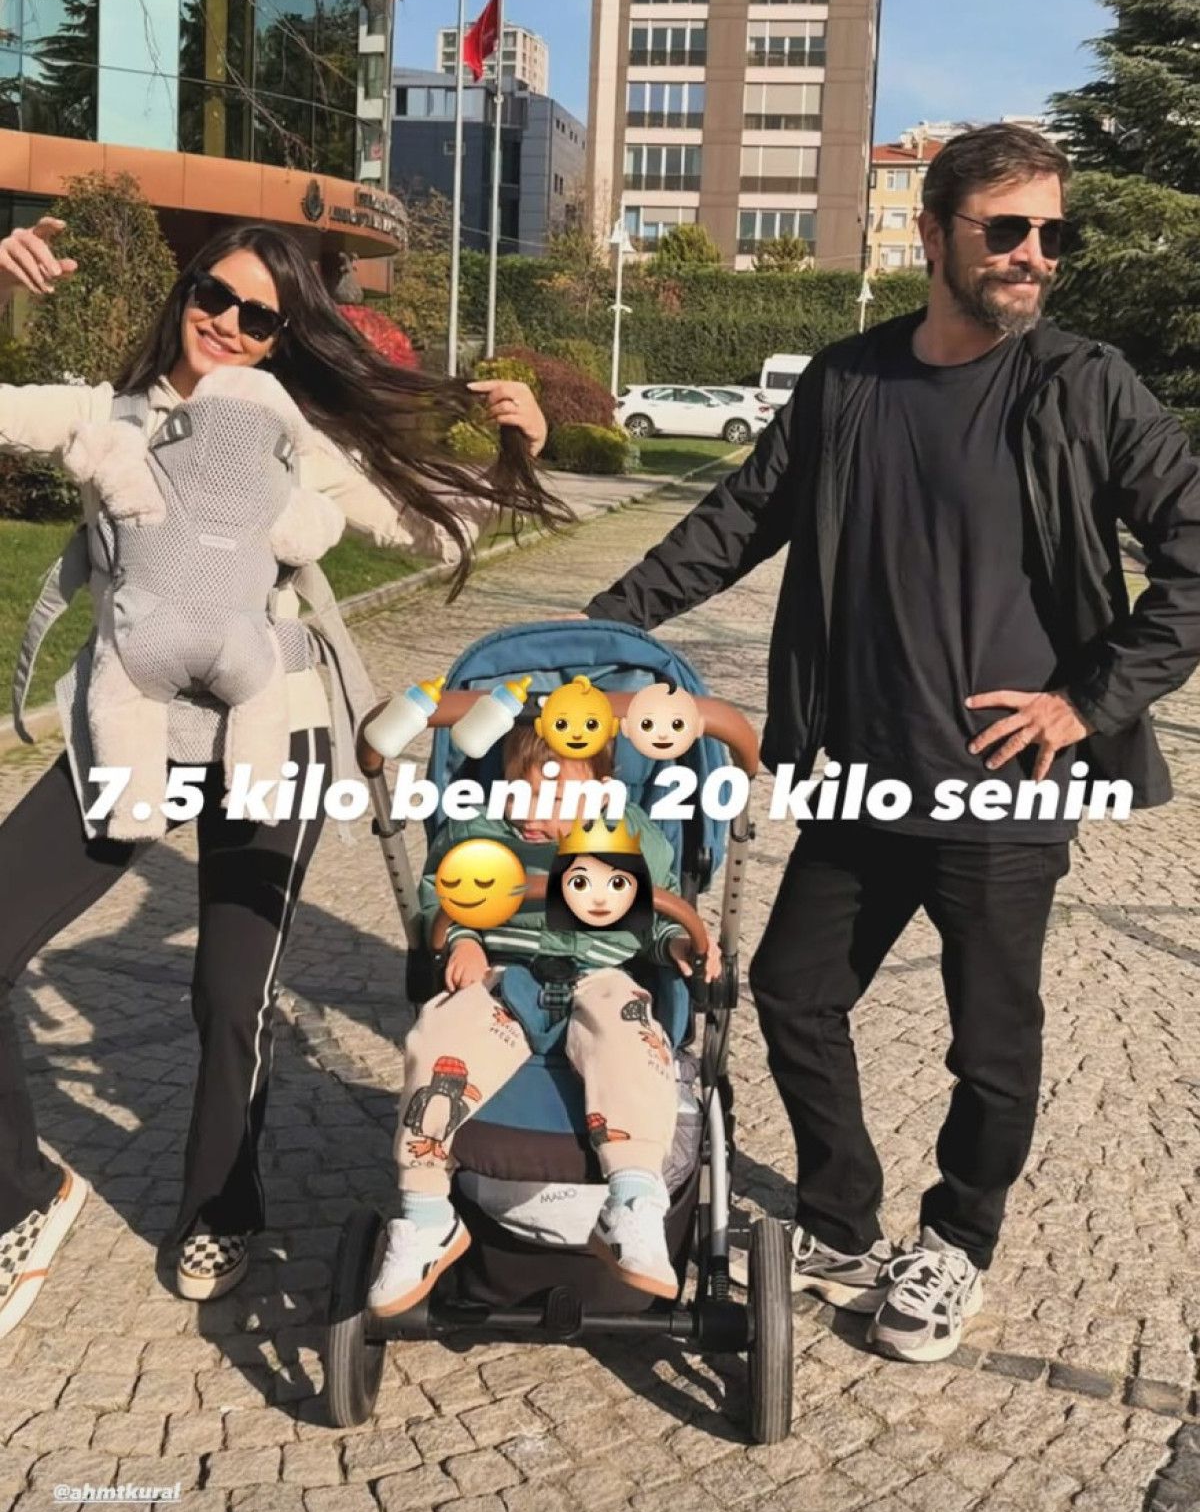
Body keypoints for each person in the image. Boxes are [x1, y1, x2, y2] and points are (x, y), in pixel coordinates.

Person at [583, 121, 1200, 1364]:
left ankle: (958, 1239)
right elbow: (739, 518)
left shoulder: (1083, 384)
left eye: (1055, 233)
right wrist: (602, 623)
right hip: (865, 776)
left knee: (991, 1045)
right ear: (934, 236)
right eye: (1008, 229)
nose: (1035, 255)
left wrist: (1085, 703)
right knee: (795, 993)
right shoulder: (848, 380)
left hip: (1008, 794)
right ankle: (841, 1219)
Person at [0, 215, 559, 1331]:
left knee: (230, 988)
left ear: (284, 336)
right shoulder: (109, 415)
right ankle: (24, 1195)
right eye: (215, 294)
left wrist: (519, 451)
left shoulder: (296, 438)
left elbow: (429, 530)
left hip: (277, 732)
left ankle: (224, 1207)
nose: (229, 323)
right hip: (135, 730)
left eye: (260, 316)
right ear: (186, 290)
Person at [368, 721, 716, 1313]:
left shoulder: (635, 840)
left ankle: (633, 1202)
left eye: (553, 799)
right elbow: (441, 899)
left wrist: (679, 943)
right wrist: (462, 940)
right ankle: (426, 1213)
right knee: (439, 1034)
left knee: (632, 1042)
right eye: (519, 792)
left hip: (601, 976)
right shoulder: (479, 834)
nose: (531, 812)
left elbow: (658, 918)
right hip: (504, 976)